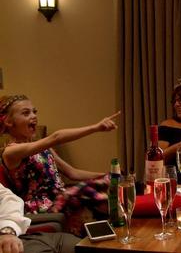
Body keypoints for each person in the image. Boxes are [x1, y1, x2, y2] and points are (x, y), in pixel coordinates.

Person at [0, 94, 120, 236]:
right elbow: (56, 137)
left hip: (62, 199)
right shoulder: (11, 152)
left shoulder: (44, 149)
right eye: (26, 113)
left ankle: (112, 233)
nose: (33, 116)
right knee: (83, 193)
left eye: (34, 112)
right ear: (8, 121)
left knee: (105, 187)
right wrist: (95, 127)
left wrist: (109, 176)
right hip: (40, 209)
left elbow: (72, 173)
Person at [0, 183, 80, 253]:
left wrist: (7, 231)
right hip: (9, 246)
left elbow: (9, 198)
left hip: (14, 235)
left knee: (78, 244)